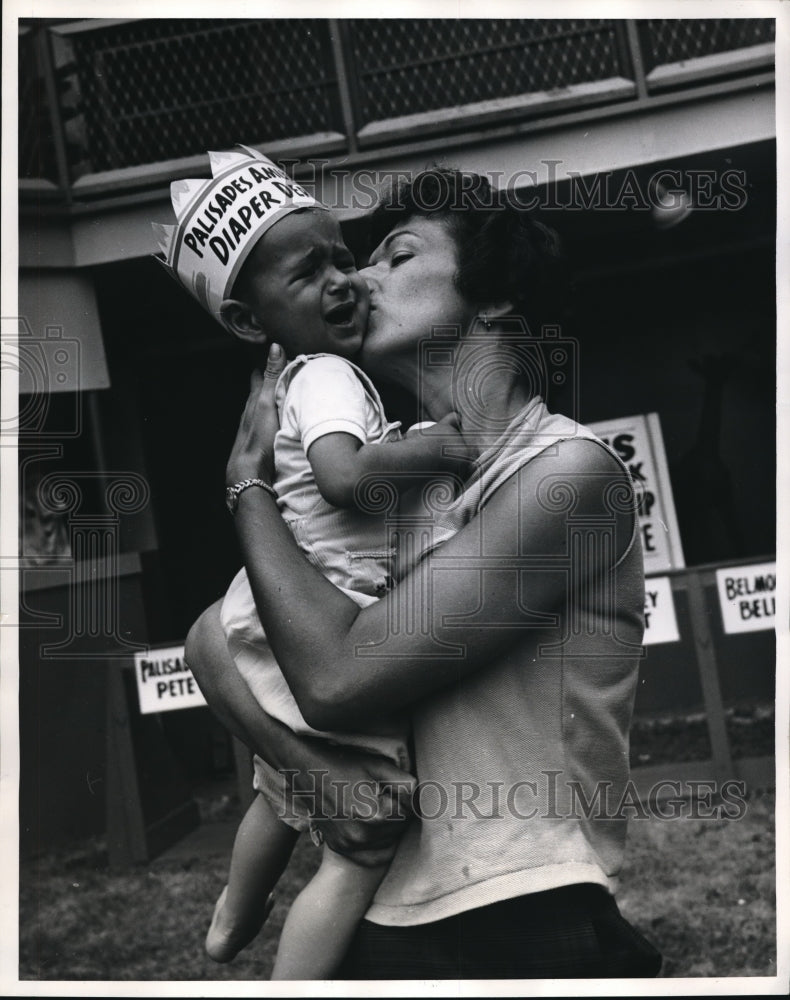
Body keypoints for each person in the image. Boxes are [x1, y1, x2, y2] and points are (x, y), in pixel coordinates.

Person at [186, 167, 663, 979]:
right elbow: (211, 639)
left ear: (493, 299)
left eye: (395, 256)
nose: (355, 279)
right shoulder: (395, 482)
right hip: (379, 919)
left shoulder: (568, 474)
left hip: (522, 912)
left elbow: (336, 678)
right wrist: (312, 773)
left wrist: (247, 486)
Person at [155, 147, 470, 979]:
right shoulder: (327, 375)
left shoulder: (307, 379)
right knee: (360, 850)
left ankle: (232, 916)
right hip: (322, 619)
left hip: (274, 617)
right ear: (251, 322)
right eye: (307, 273)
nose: (342, 279)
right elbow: (345, 476)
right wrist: (444, 445)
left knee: (279, 790)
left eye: (341, 256)